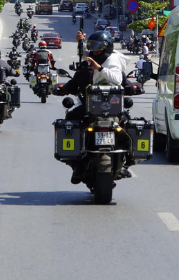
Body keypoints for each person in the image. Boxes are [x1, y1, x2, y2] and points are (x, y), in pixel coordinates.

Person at [54, 30, 134, 182]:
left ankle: (127, 159)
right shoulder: (90, 63)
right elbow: (85, 57)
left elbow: (118, 79)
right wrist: (81, 42)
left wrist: (99, 69)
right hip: (92, 106)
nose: (94, 51)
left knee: (128, 125)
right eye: (92, 47)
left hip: (113, 107)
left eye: (97, 47)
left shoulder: (112, 61)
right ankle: (75, 163)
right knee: (71, 119)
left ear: (107, 47)